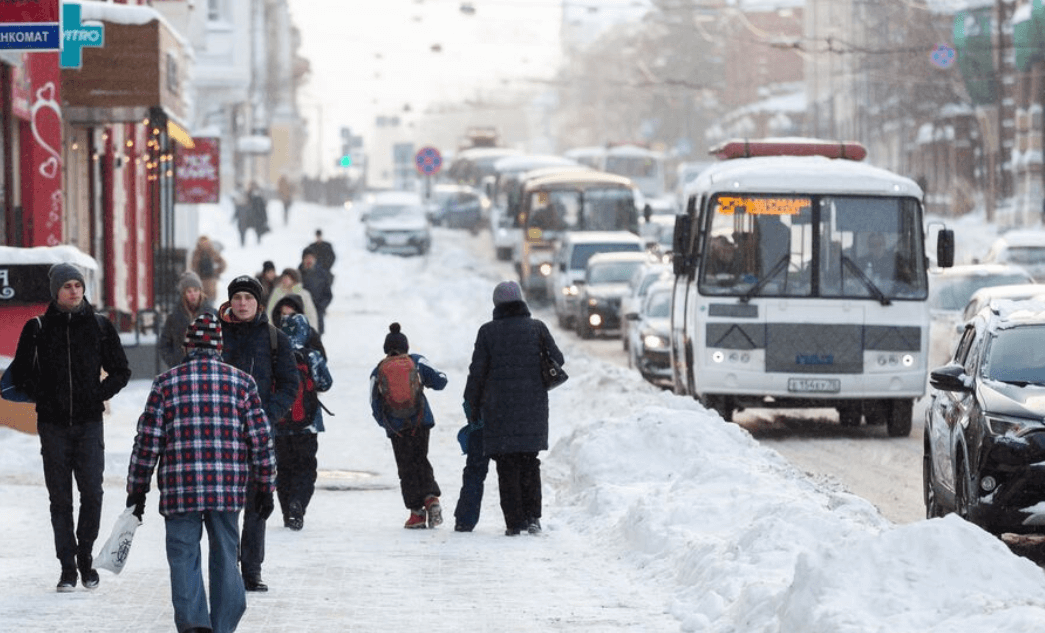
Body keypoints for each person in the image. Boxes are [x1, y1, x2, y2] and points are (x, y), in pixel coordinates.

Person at [126, 313, 276, 633]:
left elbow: (147, 441)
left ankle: (194, 623)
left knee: (183, 556)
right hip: (226, 488)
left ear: (187, 346)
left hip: (181, 488)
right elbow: (260, 439)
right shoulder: (242, 383)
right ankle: (222, 626)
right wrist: (265, 485)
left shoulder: (165, 384)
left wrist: (137, 490)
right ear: (219, 346)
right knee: (225, 554)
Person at [7, 263, 131, 591]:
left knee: (92, 493)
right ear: (56, 291)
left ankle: (86, 557)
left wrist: (97, 395)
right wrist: (45, 396)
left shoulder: (100, 326)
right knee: (60, 499)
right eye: (68, 286)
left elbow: (121, 370)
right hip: (53, 426)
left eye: (78, 285)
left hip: (90, 425)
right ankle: (67, 567)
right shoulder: (37, 328)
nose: (75, 291)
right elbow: (19, 374)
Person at [462, 281, 563, 536]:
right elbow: (558, 359)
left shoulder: (487, 332)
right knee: (530, 462)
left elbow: (477, 373)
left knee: (506, 465)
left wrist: (471, 405)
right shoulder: (537, 328)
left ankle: (514, 522)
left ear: (496, 304)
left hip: (498, 410)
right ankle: (533, 518)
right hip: (533, 409)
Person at [218, 275, 298, 592]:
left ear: (258, 303)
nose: (242, 303)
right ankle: (226, 566)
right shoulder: (215, 334)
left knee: (257, 501)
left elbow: (290, 384)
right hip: (220, 433)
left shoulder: (274, 338)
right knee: (223, 505)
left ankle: (251, 569)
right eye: (237, 298)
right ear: (230, 301)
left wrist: (267, 415)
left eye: (248, 298)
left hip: (258, 434)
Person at [369, 323, 447, 529]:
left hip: (396, 426)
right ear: (406, 346)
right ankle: (431, 498)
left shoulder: (378, 369)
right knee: (420, 458)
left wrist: (386, 423)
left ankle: (416, 513)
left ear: (386, 349)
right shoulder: (416, 361)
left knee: (406, 467)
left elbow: (373, 402)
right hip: (420, 420)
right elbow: (441, 381)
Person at [274, 313, 332, 530]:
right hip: (308, 424)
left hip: (279, 423)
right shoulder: (312, 356)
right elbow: (326, 383)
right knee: (306, 468)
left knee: (284, 468)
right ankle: (298, 503)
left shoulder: (273, 356)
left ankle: (286, 512)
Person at [159, 271, 217, 369]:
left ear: (200, 291)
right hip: (182, 370)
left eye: (195, 290)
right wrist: (175, 362)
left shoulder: (213, 314)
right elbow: (164, 345)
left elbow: (224, 342)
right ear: (183, 293)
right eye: (188, 291)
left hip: (208, 369)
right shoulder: (174, 317)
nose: (193, 294)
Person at [271, 292, 326, 358]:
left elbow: (321, 358)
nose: (287, 318)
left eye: (291, 314)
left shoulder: (309, 334)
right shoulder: (273, 335)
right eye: (284, 314)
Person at [299, 248, 333, 335]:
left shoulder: (322, 274)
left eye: (311, 258)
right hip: (300, 314)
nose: (309, 260)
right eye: (306, 258)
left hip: (317, 314)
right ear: (303, 259)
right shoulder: (297, 275)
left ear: (315, 259)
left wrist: (321, 307)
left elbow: (328, 295)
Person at [191, 235, 227, 300]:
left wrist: (217, 271)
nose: (204, 244)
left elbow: (223, 264)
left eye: (205, 242)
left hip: (211, 283)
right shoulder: (196, 253)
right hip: (200, 283)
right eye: (202, 242)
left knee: (210, 302)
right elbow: (192, 266)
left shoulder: (213, 252)